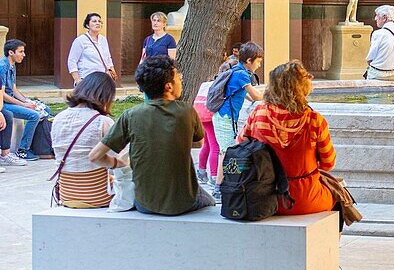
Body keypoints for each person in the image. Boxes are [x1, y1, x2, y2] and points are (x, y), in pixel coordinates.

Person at [89, 56, 214, 215]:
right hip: (184, 202)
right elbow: (200, 142)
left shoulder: (131, 115)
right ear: (169, 86)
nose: (181, 81)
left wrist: (117, 164)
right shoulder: (187, 111)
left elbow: (94, 156)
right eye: (178, 77)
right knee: (209, 201)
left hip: (145, 204)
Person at [238, 61, 337, 216]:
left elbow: (240, 146)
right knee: (340, 198)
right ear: (302, 86)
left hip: (264, 196)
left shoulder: (258, 114)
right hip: (305, 198)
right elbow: (328, 164)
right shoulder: (314, 120)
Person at [50, 72, 121, 208]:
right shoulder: (103, 122)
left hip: (66, 195)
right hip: (98, 196)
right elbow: (116, 162)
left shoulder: (58, 118)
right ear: (105, 96)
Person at [212, 42, 264, 202]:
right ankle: (218, 189)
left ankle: (221, 186)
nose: (259, 65)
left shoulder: (237, 71)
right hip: (225, 118)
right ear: (249, 60)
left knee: (225, 151)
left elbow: (244, 95)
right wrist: (272, 94)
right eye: (258, 61)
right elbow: (255, 96)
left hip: (225, 117)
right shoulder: (241, 74)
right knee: (225, 152)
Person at [1, 38, 52, 162]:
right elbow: (3, 95)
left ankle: (40, 145)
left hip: (10, 100)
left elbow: (14, 90)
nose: (24, 55)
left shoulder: (12, 66)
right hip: (4, 104)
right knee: (33, 115)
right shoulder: (2, 67)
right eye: (21, 51)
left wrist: (28, 101)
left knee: (46, 109)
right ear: (11, 53)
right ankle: (23, 149)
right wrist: (23, 104)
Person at [67, 13, 117, 85]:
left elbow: (108, 58)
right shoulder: (80, 40)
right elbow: (72, 61)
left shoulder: (103, 39)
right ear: (87, 25)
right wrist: (78, 80)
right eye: (94, 21)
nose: (98, 23)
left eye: (99, 21)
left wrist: (112, 73)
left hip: (102, 79)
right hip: (86, 79)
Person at [363, 5, 394, 80]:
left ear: (384, 18)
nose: (375, 18)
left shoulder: (378, 33)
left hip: (378, 74)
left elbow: (370, 58)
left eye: (377, 16)